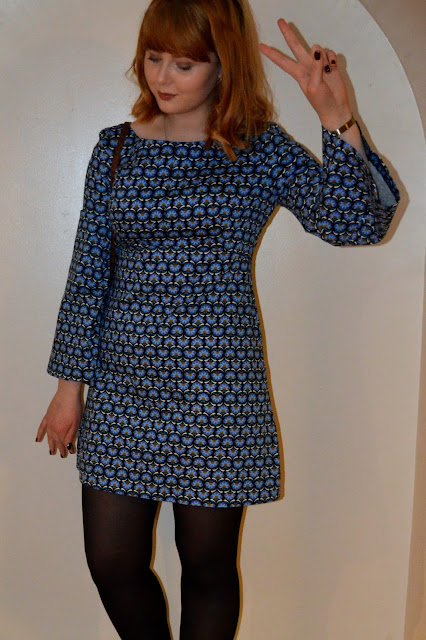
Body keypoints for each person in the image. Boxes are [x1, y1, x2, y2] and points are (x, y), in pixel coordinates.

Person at [36, 0, 400, 638]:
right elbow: (88, 272)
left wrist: (335, 115)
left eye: (184, 63)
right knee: (112, 562)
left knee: (207, 567)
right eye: (154, 57)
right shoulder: (115, 150)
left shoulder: (256, 148)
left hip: (218, 390)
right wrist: (70, 389)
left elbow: (358, 223)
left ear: (222, 64)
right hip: (123, 390)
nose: (162, 76)